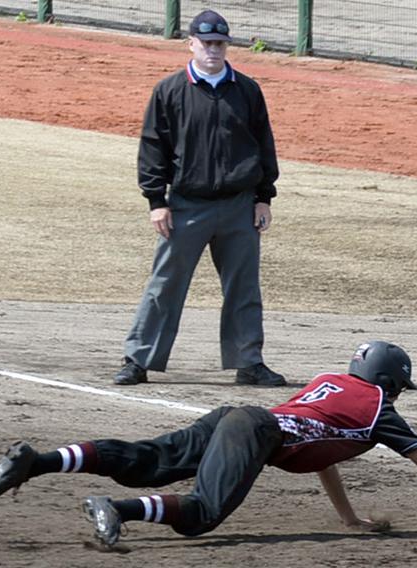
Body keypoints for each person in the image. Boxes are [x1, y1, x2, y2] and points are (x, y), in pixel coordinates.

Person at [0, 341, 417, 547]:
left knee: (149, 460)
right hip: (255, 429)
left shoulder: (328, 386)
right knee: (202, 513)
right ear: (391, 383)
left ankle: (39, 461)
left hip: (241, 418)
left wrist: (349, 518)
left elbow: (322, 455)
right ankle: (115, 509)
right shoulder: (383, 413)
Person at [113, 9, 285, 387]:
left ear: (227, 45)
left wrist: (263, 197)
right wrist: (156, 200)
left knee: (244, 288)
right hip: (186, 206)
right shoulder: (170, 90)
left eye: (220, 43)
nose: (213, 49)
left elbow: (264, 145)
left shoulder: (247, 90)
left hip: (240, 205)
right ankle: (138, 360)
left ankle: (248, 362)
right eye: (206, 43)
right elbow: (153, 148)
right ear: (191, 43)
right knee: (165, 285)